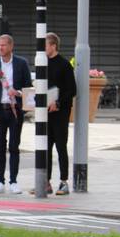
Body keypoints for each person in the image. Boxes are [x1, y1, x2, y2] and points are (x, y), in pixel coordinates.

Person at [0, 34, 31, 194]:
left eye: (3, 45)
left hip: (15, 110)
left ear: (11, 46)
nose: (0, 48)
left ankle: (14, 181)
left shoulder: (21, 63)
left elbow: (28, 88)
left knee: (14, 146)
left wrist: (17, 93)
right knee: (0, 147)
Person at [43, 32, 77, 196]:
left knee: (60, 146)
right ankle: (46, 182)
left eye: (45, 45)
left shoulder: (64, 65)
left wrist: (58, 103)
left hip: (60, 112)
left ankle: (64, 182)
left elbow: (72, 89)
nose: (42, 49)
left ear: (53, 46)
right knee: (46, 147)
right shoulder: (42, 64)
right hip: (45, 112)